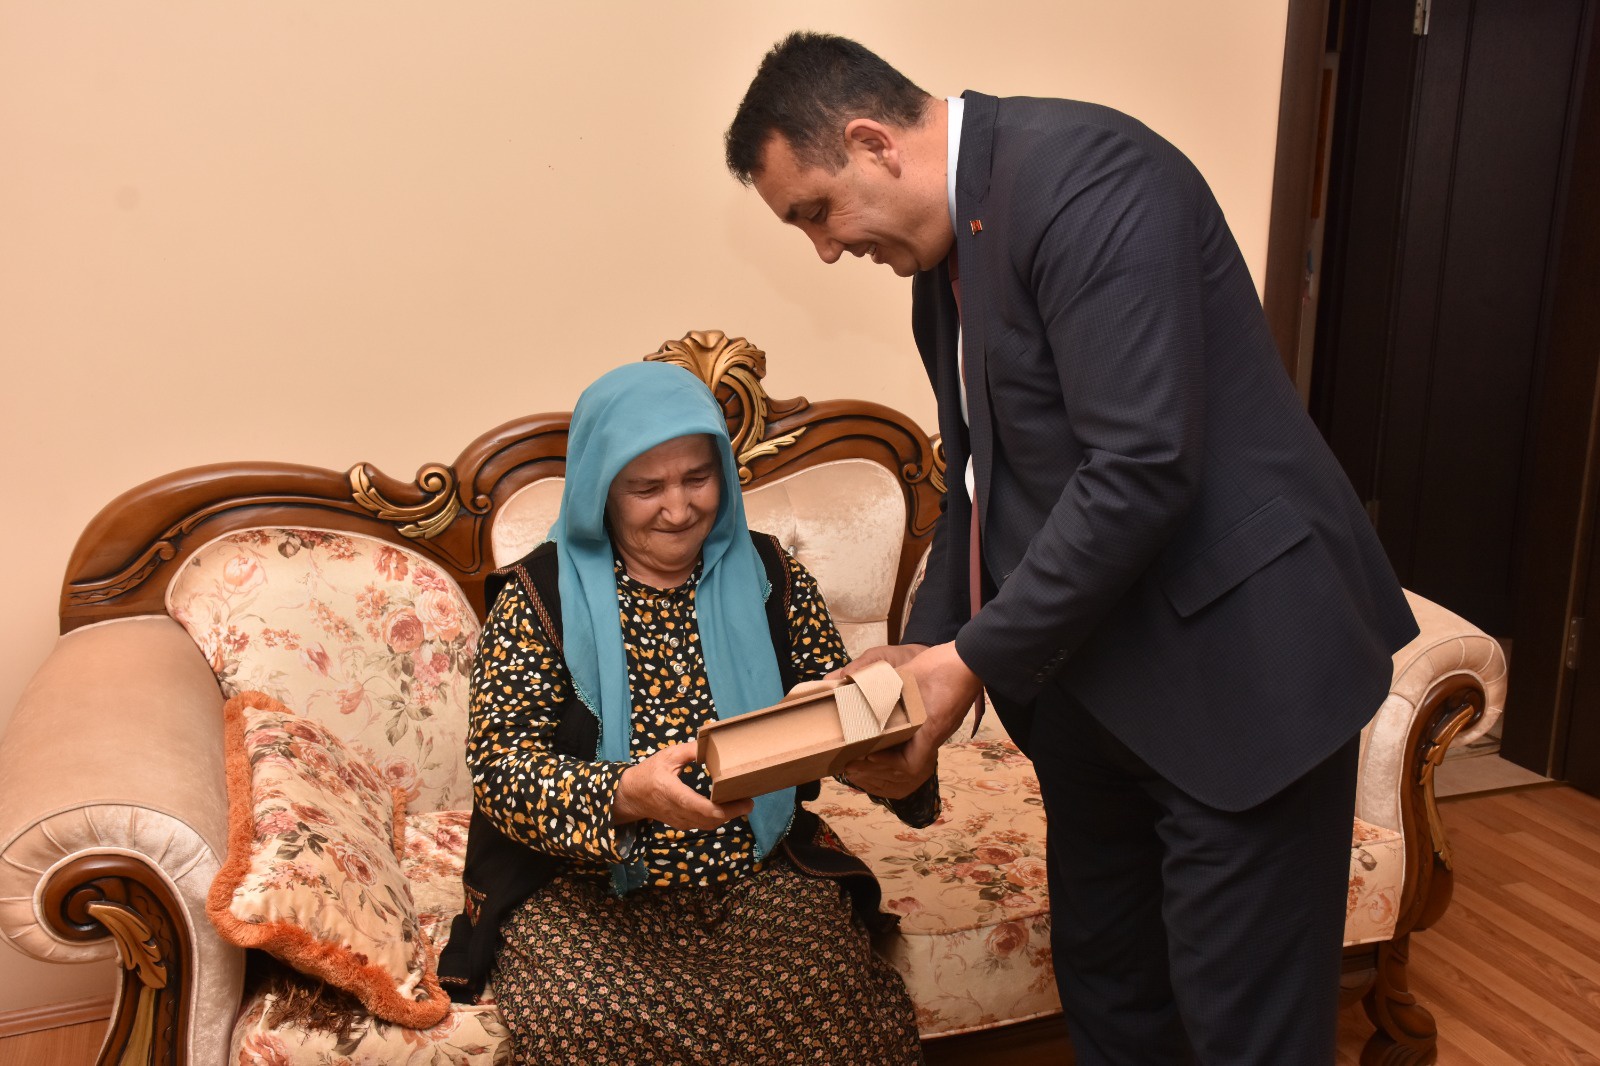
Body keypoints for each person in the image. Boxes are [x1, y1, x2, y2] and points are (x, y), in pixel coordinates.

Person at [725, 32, 1419, 1066]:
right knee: (1112, 995)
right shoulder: (942, 258)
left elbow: (1139, 468)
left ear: (872, 142)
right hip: (1098, 694)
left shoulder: (1090, 178)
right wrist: (920, 653)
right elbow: (980, 483)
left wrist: (966, 664)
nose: (824, 249)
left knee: (1244, 1029)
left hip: (1241, 679)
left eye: (816, 211)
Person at [435, 360, 934, 1065]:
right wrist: (626, 793)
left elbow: (832, 716)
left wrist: (889, 755)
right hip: (585, 890)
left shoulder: (772, 576)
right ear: (602, 490)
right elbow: (500, 771)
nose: (679, 509)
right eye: (646, 488)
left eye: (698, 478)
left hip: (757, 870)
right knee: (599, 1022)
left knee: (836, 1006)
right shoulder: (538, 597)